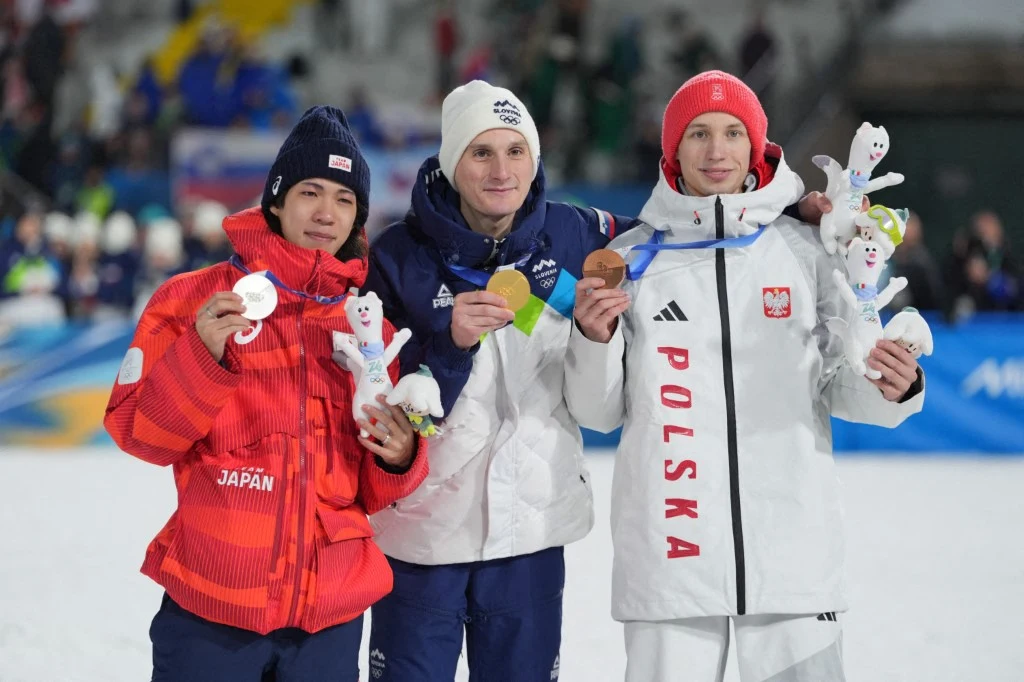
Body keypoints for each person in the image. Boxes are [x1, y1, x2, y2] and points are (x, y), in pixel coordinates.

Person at [362, 79, 841, 680]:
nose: (500, 170)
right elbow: (371, 388)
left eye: (516, 151)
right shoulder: (396, 256)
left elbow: (688, 226)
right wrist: (446, 346)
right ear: (452, 160)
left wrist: (785, 213)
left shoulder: (576, 234)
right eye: (480, 152)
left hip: (530, 532)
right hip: (420, 534)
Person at [565, 70, 925, 682]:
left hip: (792, 555)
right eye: (698, 133)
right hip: (670, 552)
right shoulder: (634, 259)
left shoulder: (807, 249)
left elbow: (842, 380)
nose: (716, 149)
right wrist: (593, 339)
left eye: (733, 132)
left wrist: (893, 388)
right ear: (672, 150)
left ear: (756, 146)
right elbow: (598, 412)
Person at [103, 106, 428, 682]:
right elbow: (140, 437)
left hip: (328, 617)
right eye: (310, 192)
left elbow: (374, 493)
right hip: (212, 605)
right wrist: (201, 353)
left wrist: (401, 454)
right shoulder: (191, 299)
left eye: (345, 199)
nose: (327, 212)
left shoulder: (367, 326)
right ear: (275, 199)